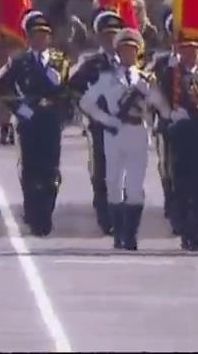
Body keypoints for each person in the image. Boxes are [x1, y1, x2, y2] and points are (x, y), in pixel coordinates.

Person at [79, 28, 164, 251]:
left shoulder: (145, 78)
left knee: (135, 186)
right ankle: (118, 233)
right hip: (114, 133)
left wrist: (150, 93)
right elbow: (86, 103)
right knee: (113, 182)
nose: (129, 55)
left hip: (138, 132)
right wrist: (107, 120)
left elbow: (161, 106)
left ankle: (131, 235)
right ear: (118, 52)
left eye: (133, 50)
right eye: (124, 50)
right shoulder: (108, 78)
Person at [0, 11, 70, 236]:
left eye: (44, 35)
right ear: (28, 38)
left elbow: (69, 90)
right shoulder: (19, 62)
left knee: (51, 169)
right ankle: (33, 212)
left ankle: (46, 211)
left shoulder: (60, 61)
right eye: (35, 35)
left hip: (51, 120)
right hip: (29, 120)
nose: (40, 39)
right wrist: (19, 108)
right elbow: (1, 86)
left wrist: (63, 112)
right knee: (30, 169)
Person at [150, 16, 198, 251]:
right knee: (177, 179)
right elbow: (152, 90)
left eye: (193, 49)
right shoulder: (163, 66)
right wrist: (167, 112)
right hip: (174, 129)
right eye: (184, 48)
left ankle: (194, 231)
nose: (189, 53)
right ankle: (180, 221)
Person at [67, 9, 124, 235]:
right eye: (107, 35)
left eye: (115, 34)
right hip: (100, 125)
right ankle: (105, 217)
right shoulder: (92, 63)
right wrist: (89, 107)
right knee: (102, 172)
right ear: (99, 37)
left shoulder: (130, 61)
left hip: (126, 125)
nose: (111, 40)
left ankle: (122, 215)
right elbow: (73, 87)